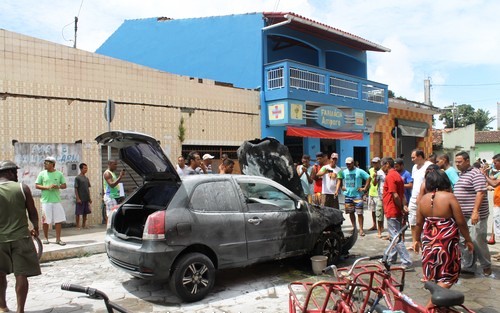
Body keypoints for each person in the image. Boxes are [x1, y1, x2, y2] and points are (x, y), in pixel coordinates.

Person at [413, 167, 473, 307]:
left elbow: (418, 223)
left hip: (429, 242)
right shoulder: (449, 197)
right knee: (448, 277)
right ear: (445, 181)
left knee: (434, 275)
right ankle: (429, 307)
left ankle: (439, 306)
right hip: (446, 243)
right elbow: (461, 222)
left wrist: (416, 240)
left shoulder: (423, 200)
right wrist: (468, 240)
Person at [0, 160, 41, 313]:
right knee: (21, 274)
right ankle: (20, 310)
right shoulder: (22, 188)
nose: (17, 175)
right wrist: (36, 228)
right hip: (21, 238)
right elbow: (32, 211)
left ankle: (3, 307)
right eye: (15, 172)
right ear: (9, 172)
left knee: (0, 273)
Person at [454, 151, 492, 276]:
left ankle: (486, 266)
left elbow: (480, 192)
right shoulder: (462, 174)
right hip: (462, 215)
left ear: (467, 161)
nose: (457, 164)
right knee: (464, 240)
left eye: (459, 162)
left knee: (477, 239)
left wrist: (475, 212)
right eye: (456, 162)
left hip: (476, 215)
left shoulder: (476, 174)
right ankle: (469, 266)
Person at [380, 157, 412, 269]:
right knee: (395, 236)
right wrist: (403, 206)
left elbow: (395, 195)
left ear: (387, 164)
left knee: (395, 237)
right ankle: (390, 258)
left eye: (382, 165)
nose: (381, 168)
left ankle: (406, 262)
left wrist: (401, 207)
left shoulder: (390, 176)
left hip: (392, 210)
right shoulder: (398, 176)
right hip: (396, 209)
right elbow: (402, 194)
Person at [35, 156, 67, 246]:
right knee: (45, 220)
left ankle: (58, 239)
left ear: (53, 164)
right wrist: (47, 187)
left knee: (58, 220)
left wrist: (58, 186)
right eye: (44, 163)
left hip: (56, 200)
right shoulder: (42, 174)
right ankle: (45, 238)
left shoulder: (59, 174)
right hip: (46, 201)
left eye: (47, 163)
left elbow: (64, 185)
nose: (45, 164)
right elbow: (37, 185)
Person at [408, 149, 433, 246]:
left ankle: (426, 242)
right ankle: (415, 242)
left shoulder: (429, 166)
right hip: (414, 197)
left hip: (425, 197)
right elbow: (415, 182)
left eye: (413, 157)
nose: (412, 159)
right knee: (412, 220)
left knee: (425, 220)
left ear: (420, 157)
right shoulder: (414, 167)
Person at [341, 157, 371, 236]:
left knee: (359, 213)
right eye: (347, 164)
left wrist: (365, 188)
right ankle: (354, 228)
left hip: (358, 196)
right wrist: (341, 186)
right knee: (351, 213)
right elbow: (339, 178)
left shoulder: (359, 171)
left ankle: (361, 229)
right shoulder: (344, 172)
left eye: (349, 164)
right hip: (348, 195)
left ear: (353, 163)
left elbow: (368, 177)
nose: (348, 165)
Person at [482, 153, 500, 258]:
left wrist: (485, 175)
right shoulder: (499, 173)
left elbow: (493, 184)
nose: (494, 165)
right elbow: (492, 181)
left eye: (495, 163)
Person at [74, 163, 92, 230]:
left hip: (86, 198)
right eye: (84, 168)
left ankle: (83, 225)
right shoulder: (77, 178)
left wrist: (89, 198)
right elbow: (76, 188)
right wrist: (78, 198)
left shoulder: (86, 178)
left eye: (86, 168)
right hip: (80, 198)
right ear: (81, 169)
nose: (86, 169)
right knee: (78, 213)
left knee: (85, 212)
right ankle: (77, 225)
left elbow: (88, 189)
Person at [367, 157, 381, 232]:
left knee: (379, 211)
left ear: (379, 162)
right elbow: (369, 181)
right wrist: (366, 192)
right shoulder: (370, 170)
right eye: (373, 163)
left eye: (376, 162)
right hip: (371, 192)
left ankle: (380, 226)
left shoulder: (382, 171)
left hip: (378, 194)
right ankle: (374, 225)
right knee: (373, 210)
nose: (374, 164)